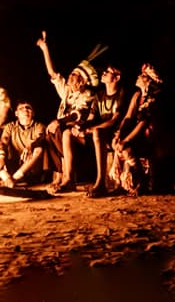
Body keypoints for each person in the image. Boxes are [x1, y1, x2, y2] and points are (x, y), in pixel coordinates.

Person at [36, 30, 100, 193]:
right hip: (64, 132)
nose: (70, 76)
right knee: (50, 134)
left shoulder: (88, 94)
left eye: (74, 75)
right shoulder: (67, 91)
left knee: (62, 131)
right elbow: (53, 73)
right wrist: (45, 49)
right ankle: (59, 177)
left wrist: (59, 121)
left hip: (81, 134)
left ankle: (69, 178)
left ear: (83, 81)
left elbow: (78, 114)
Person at [110, 62, 163, 195]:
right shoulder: (137, 95)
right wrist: (118, 135)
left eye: (143, 76)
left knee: (126, 148)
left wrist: (126, 140)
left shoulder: (153, 98)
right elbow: (128, 117)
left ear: (149, 81)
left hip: (151, 138)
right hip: (138, 134)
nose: (138, 77)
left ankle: (142, 182)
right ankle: (129, 182)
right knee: (121, 146)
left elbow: (143, 122)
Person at [78, 65, 126, 197]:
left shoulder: (121, 93)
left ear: (117, 78)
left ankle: (100, 182)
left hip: (116, 132)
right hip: (99, 132)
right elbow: (91, 118)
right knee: (68, 134)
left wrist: (92, 129)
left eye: (108, 71)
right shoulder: (99, 95)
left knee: (97, 132)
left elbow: (114, 120)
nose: (103, 72)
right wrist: (80, 127)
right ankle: (67, 178)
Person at [0, 100, 47, 184]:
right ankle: (7, 178)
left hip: (32, 168)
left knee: (38, 149)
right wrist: (0, 157)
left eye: (28, 108)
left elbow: (40, 139)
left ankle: (14, 179)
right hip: (14, 165)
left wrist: (30, 146)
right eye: (21, 108)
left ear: (33, 113)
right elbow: (3, 142)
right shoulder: (10, 126)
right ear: (16, 113)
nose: (25, 110)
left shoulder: (39, 126)